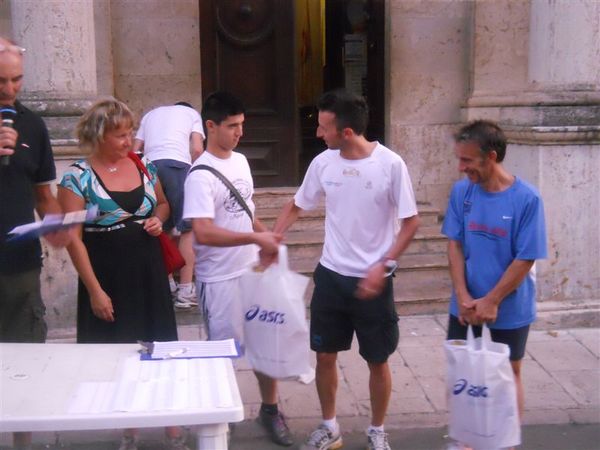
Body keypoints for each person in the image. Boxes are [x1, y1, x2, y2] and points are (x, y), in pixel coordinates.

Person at [273, 89, 420, 450]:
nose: (319, 134)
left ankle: (377, 431)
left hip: (375, 282)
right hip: (331, 276)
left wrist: (383, 265)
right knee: (325, 355)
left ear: (348, 132)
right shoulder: (324, 163)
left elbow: (411, 222)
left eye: (325, 128)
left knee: (377, 359)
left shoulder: (390, 165)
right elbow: (297, 204)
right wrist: (274, 236)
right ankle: (329, 427)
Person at [57, 98, 189, 450]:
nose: (129, 141)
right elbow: (73, 240)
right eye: (120, 135)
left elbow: (163, 203)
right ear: (99, 135)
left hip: (148, 272)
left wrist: (158, 219)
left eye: (130, 133)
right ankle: (128, 425)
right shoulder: (76, 178)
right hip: (108, 276)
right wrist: (95, 291)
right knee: (119, 352)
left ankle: (171, 422)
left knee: (160, 343)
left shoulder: (145, 164)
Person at [182, 91, 293, 447]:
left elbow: (245, 210)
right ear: (210, 126)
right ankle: (219, 417)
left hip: (254, 274)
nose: (240, 133)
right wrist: (253, 238)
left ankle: (270, 410)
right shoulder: (199, 176)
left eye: (242, 125)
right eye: (232, 126)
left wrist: (267, 237)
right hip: (220, 280)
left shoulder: (242, 162)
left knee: (266, 346)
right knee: (222, 355)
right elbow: (202, 230)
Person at [442, 120, 547, 447]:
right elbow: (455, 244)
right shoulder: (462, 192)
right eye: (459, 159)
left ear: (491, 156)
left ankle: (505, 440)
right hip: (465, 303)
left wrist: (492, 300)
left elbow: (525, 257)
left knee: (508, 372)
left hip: (509, 306)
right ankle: (467, 441)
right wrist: (462, 295)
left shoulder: (527, 198)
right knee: (463, 373)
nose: (461, 168)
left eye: (467, 160)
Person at [0, 36, 72, 450]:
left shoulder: (31, 125)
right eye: (2, 81)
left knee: (23, 357)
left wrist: (57, 225)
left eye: (17, 80)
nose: (10, 89)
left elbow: (44, 197)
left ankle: (22, 443)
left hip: (20, 264)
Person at [133, 102, 205, 309]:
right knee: (187, 228)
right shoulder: (192, 113)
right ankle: (185, 289)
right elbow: (198, 149)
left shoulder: (150, 113)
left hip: (149, 167)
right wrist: (194, 175)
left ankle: (167, 284)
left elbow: (134, 149)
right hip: (177, 166)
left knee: (158, 225)